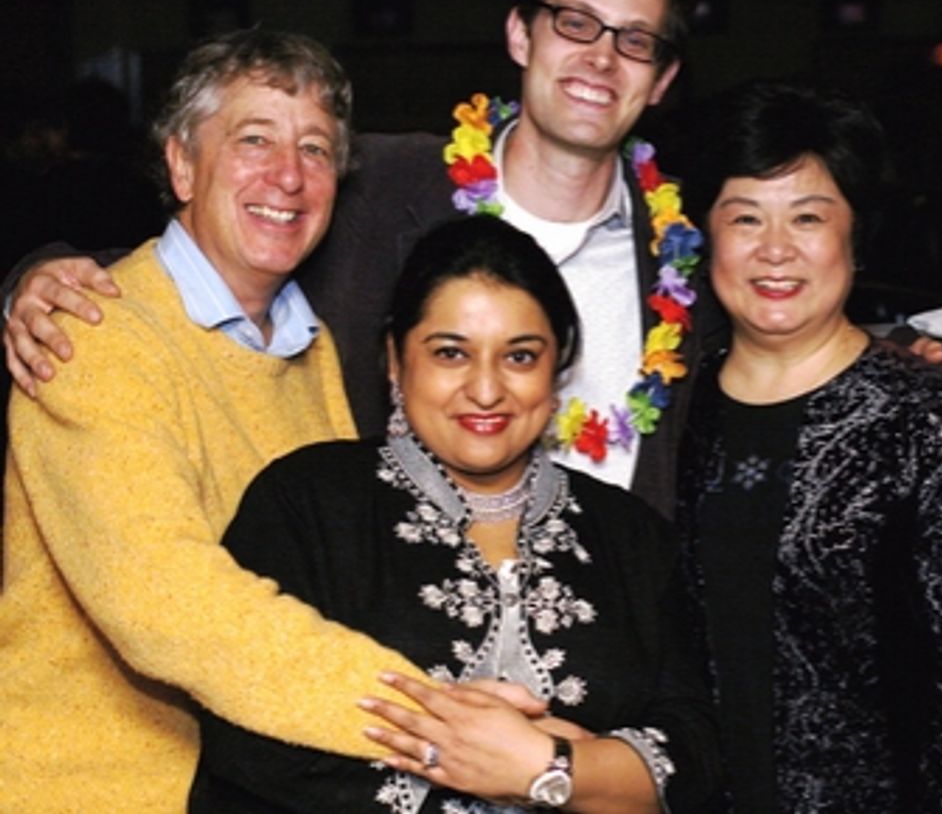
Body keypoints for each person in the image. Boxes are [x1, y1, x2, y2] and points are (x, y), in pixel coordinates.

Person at [3, 0, 715, 513]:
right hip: (377, 617)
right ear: (521, 35)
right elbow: (214, 243)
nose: (601, 58)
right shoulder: (380, 183)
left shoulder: (690, 251)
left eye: (636, 40)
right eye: (576, 23)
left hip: (613, 619)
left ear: (662, 78)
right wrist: (40, 277)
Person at [0, 29, 429, 813]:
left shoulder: (310, 349)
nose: (288, 175)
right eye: (254, 139)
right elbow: (172, 607)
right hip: (94, 790)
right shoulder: (95, 334)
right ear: (182, 165)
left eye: (315, 148)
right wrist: (430, 719)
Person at [188, 216, 719, 812]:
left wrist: (546, 767)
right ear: (395, 360)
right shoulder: (307, 503)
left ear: (557, 369)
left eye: (520, 356)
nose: (486, 390)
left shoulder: (629, 535)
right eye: (450, 353)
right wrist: (479, 762)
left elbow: (696, 751)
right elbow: (248, 728)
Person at [676, 80, 942, 811]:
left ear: (855, 235)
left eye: (808, 217)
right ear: (705, 235)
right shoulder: (671, 415)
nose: (774, 250)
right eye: (745, 217)